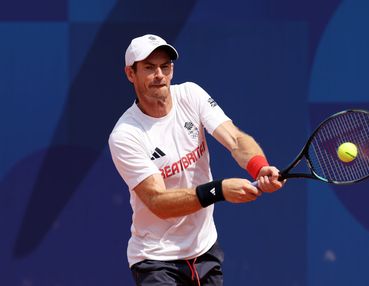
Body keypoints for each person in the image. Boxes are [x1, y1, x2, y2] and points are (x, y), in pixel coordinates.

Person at [108, 34, 284, 286]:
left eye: (165, 66)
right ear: (130, 74)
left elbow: (234, 139)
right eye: (149, 67)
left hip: (204, 250)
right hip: (156, 258)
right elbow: (158, 202)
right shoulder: (126, 135)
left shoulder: (191, 94)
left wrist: (259, 167)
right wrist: (219, 190)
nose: (159, 74)